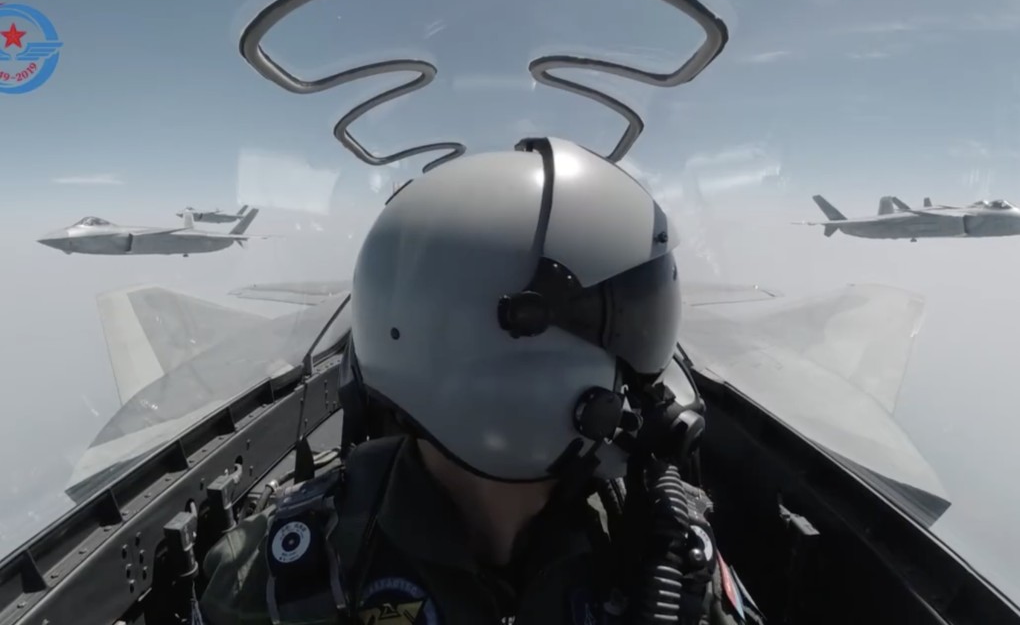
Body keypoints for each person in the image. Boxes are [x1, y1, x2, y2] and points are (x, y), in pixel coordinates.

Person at [199, 137, 760, 625]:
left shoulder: (668, 559)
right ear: (508, 352)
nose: (652, 385)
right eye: (634, 333)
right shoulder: (271, 584)